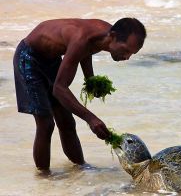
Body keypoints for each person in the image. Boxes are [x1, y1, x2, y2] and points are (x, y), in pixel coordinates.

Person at [13, 18, 147, 171]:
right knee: (46, 124)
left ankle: (81, 169)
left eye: (131, 53)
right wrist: (91, 118)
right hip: (29, 58)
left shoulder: (102, 37)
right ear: (113, 36)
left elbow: (87, 50)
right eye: (125, 50)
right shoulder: (82, 39)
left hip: (51, 59)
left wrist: (90, 80)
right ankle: (44, 179)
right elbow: (59, 89)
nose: (127, 57)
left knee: (67, 123)